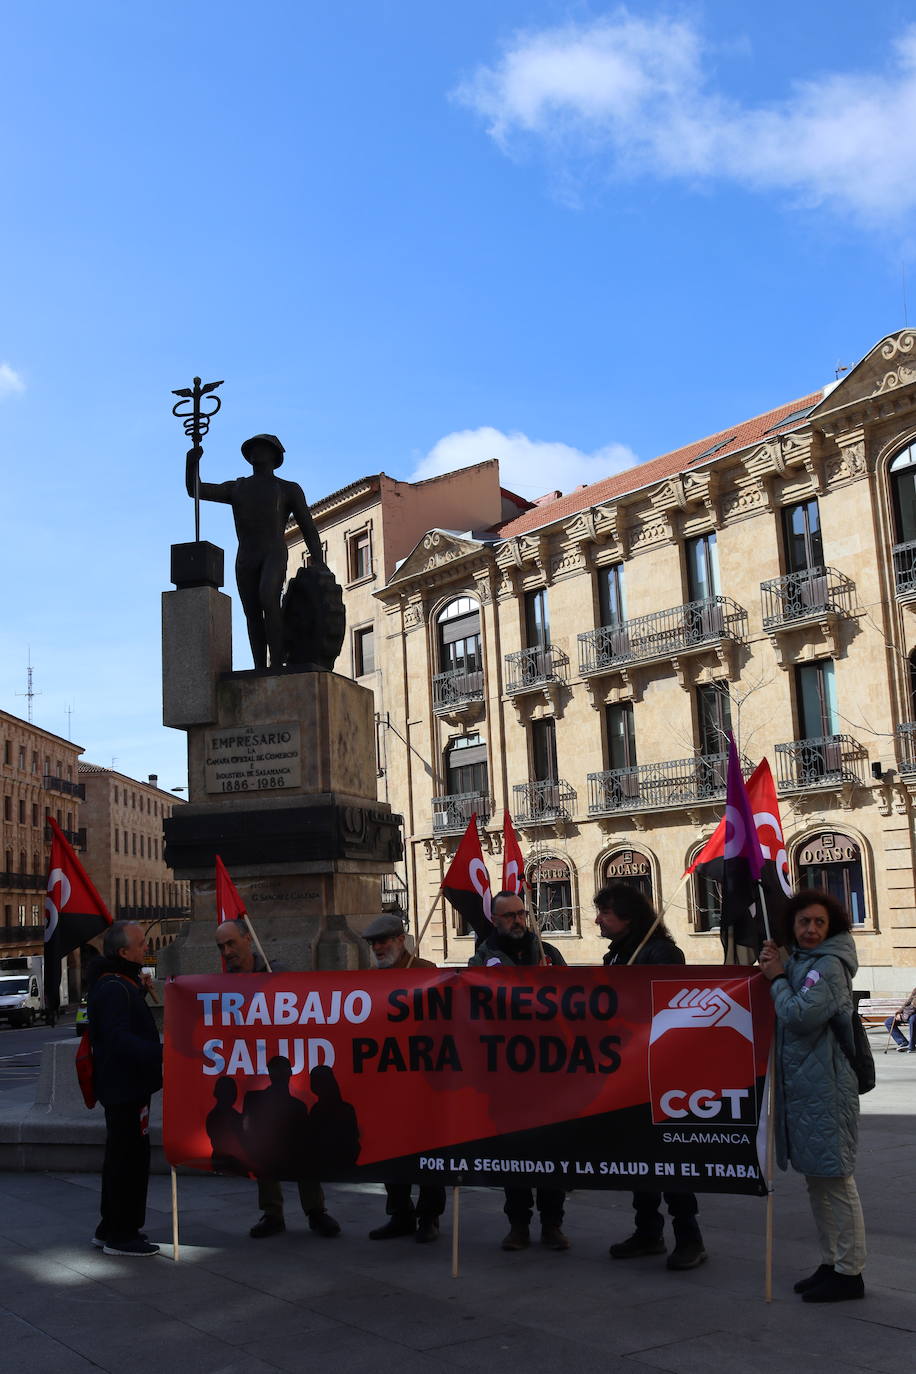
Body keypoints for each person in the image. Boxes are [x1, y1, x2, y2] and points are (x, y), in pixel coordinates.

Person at [759, 889, 866, 1303]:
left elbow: (800, 1016)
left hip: (826, 1090)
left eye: (819, 922)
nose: (811, 930)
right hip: (805, 1089)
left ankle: (850, 1272)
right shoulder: (802, 962)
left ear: (832, 926)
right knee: (818, 1183)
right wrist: (778, 967)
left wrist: (779, 979)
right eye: (804, 922)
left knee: (836, 1181)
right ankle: (832, 1262)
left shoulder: (830, 967)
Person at [596, 883, 708, 1271]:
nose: (598, 921)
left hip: (661, 1073)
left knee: (668, 1157)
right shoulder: (614, 956)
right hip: (626, 1072)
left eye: (604, 914)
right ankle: (647, 1231)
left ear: (627, 917)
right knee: (636, 1157)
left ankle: (689, 1237)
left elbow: (672, 1008)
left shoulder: (663, 954)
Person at [214, 918, 341, 1240]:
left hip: (287, 1070)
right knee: (263, 1146)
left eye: (231, 944)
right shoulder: (218, 984)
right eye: (221, 947)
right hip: (253, 1078)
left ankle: (316, 1211)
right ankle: (272, 1213)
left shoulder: (276, 970)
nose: (227, 952)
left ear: (247, 939)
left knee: (303, 1147)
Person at [468, 891, 570, 1252]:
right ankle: (518, 1224)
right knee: (514, 1153)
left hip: (548, 1072)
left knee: (551, 1151)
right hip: (507, 1075)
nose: (516, 921)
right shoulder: (482, 957)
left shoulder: (547, 953)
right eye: (508, 915)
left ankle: (553, 1223)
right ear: (494, 920)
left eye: (520, 914)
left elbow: (573, 1000)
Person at [187, 434, 325, 670]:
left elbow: (308, 527)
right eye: (252, 449)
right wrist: (192, 463)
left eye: (262, 448)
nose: (255, 452)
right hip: (245, 557)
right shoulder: (237, 487)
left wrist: (320, 562)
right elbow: (196, 490)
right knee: (251, 612)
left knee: (268, 598)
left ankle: (277, 663)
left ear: (274, 455)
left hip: (273, 552)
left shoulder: (288, 489)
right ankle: (260, 666)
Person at [362, 913, 446, 1242]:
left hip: (423, 1082)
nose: (378, 948)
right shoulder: (369, 980)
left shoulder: (426, 973)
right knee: (390, 1150)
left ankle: (428, 1216)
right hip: (386, 1083)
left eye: (383, 941)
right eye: (373, 943)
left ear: (400, 940)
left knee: (428, 1150)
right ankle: (399, 1213)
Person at [86, 921, 162, 1257]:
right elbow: (117, 1038)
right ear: (123, 952)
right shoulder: (114, 988)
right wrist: (161, 1052)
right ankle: (122, 1234)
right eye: (140, 943)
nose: (145, 947)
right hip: (125, 1088)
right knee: (128, 1161)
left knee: (121, 1157)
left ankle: (109, 1228)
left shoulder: (119, 985)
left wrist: (139, 992)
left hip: (124, 1087)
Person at [884, 986, 916, 1052]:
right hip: (908, 1014)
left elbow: (913, 1007)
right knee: (889, 1021)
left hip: (912, 1014)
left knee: (913, 1020)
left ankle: (911, 1045)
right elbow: (907, 1003)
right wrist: (899, 1012)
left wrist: (902, 1016)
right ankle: (903, 1042)